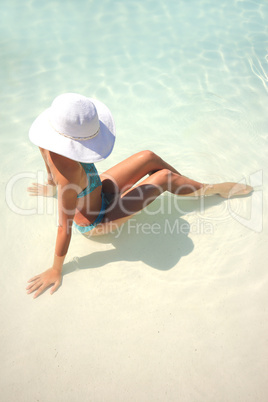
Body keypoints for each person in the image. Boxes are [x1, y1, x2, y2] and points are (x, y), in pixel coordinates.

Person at [26, 93, 253, 298]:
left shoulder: (45, 141)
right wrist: (56, 269)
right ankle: (210, 189)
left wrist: (50, 187)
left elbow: (48, 168)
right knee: (163, 177)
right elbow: (64, 228)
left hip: (98, 190)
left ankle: (186, 185)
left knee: (148, 157)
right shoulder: (68, 178)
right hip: (99, 219)